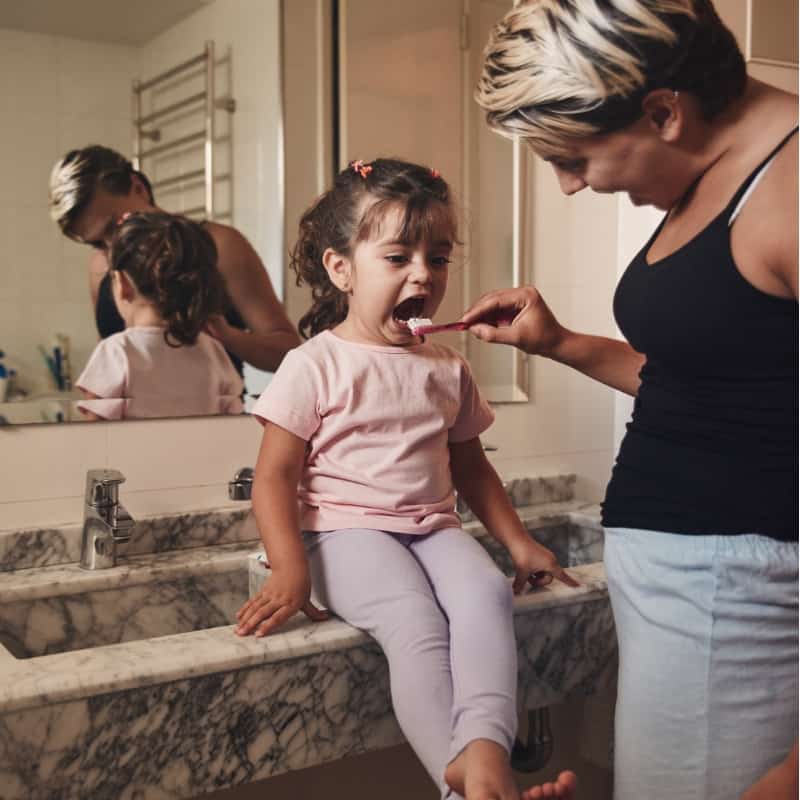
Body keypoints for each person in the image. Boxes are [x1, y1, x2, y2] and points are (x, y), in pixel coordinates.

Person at [467, 2, 798, 799]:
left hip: (736, 601)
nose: (570, 185)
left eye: (572, 158)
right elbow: (716, 384)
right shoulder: (710, 170)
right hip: (696, 591)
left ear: (663, 111)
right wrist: (562, 345)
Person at [233, 158, 578, 800]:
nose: (423, 273)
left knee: (483, 593)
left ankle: (481, 756)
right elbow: (274, 478)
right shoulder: (314, 365)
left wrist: (519, 543)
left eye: (438, 258)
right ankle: (456, 777)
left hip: (430, 527)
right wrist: (288, 567)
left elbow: (472, 467)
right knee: (414, 620)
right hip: (344, 533)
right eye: (397, 257)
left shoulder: (447, 367)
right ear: (341, 269)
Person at [49, 145, 300, 378]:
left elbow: (287, 352)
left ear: (138, 188)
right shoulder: (100, 267)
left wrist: (227, 336)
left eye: (115, 225)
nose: (112, 247)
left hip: (214, 421)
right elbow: (108, 369)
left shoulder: (221, 245)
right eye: (97, 243)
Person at [76, 211, 244, 421]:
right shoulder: (213, 351)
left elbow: (94, 435)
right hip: (202, 454)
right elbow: (233, 422)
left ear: (122, 284)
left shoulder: (117, 352)